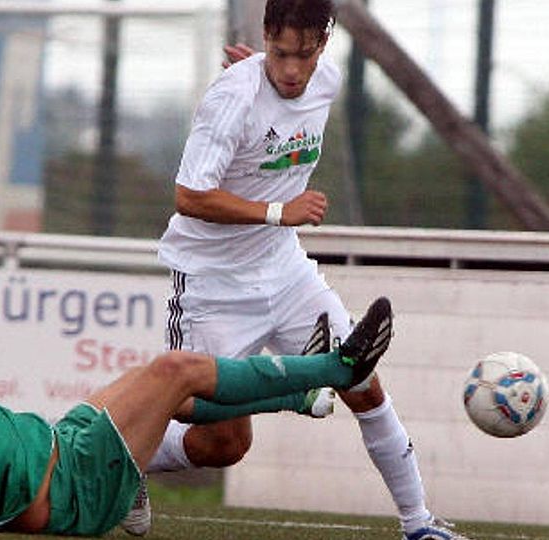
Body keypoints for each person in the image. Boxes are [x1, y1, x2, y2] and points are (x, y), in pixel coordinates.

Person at [139, 1, 470, 539]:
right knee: (217, 435)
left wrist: (265, 80)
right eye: (280, 53)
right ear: (267, 36)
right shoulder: (231, 98)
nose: (292, 70)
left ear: (325, 43)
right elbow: (188, 195)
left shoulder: (326, 83)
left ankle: (419, 524)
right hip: (213, 283)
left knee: (361, 380)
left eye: (305, 55)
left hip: (285, 270)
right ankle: (130, 459)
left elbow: (281, 110)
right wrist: (277, 211)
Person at [0, 278, 392, 535]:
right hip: (74, 487)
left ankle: (304, 396)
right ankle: (338, 368)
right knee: (173, 371)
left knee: (171, 392)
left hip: (64, 446)